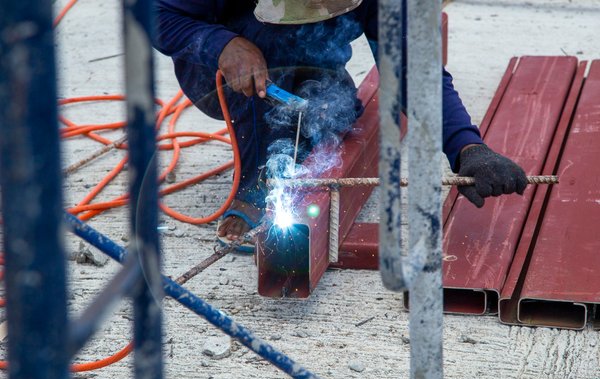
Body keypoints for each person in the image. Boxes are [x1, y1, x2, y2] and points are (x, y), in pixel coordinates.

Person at [154, 0, 527, 249]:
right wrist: (220, 44)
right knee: (269, 76)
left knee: (335, 108)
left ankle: (289, 151)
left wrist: (466, 147)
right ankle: (259, 181)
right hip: (222, 67)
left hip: (307, 57)